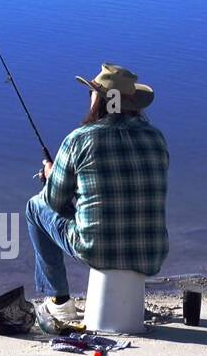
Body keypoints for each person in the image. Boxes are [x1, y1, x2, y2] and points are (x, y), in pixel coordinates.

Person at [25, 63, 169, 322]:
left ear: (100, 100)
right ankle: (126, 303)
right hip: (151, 252)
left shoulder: (80, 139)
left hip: (96, 249)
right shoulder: (156, 139)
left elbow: (54, 202)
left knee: (35, 207)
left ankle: (59, 300)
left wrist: (51, 175)